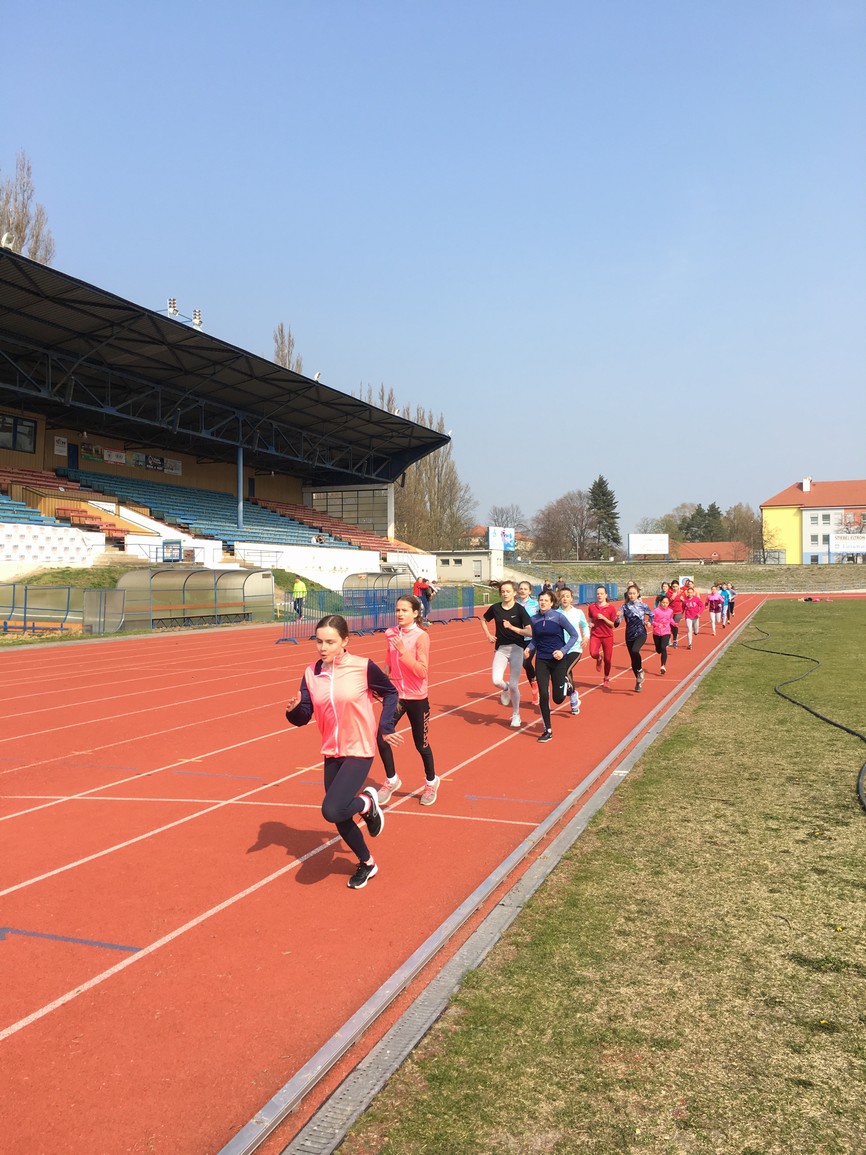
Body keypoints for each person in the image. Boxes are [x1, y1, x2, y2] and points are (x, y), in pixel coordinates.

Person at [285, 614, 401, 890]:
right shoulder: (311, 674)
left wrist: (386, 726)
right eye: (319, 641)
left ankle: (367, 803)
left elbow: (391, 692)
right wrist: (293, 711)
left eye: (330, 642)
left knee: (332, 809)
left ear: (345, 641)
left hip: (359, 747)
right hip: (331, 750)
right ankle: (367, 863)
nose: (322, 647)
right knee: (339, 815)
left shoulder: (362, 667)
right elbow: (304, 716)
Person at [376, 595, 440, 806]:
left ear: (415, 613)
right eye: (397, 610)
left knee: (421, 744)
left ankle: (431, 782)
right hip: (395, 696)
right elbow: (388, 656)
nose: (400, 614)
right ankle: (391, 779)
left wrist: (403, 651)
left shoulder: (421, 637)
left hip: (417, 697)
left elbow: (421, 671)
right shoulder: (390, 633)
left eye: (404, 610)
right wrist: (384, 675)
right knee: (382, 736)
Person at [526, 589, 580, 742]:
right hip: (541, 660)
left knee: (558, 699)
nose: (542, 602)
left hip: (558, 660)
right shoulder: (534, 619)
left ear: (551, 603)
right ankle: (547, 730)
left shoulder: (558, 617)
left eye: (545, 600)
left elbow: (574, 635)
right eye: (540, 600)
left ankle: (567, 685)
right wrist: (528, 648)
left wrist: (563, 651)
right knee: (544, 695)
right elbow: (535, 640)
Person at [480, 580, 532, 729]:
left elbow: (529, 632)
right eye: (503, 591)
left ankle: (516, 714)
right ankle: (505, 688)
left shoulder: (520, 610)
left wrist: (512, 627)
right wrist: (488, 635)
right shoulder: (495, 608)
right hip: (501, 649)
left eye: (508, 591)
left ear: (514, 593)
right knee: (496, 680)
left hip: (517, 649)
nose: (505, 594)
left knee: (515, 685)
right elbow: (483, 619)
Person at [556, 587, 591, 713]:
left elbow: (585, 625)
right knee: (568, 673)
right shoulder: (555, 613)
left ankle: (572, 695)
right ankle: (574, 697)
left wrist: (586, 636)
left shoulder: (578, 612)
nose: (565, 599)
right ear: (559, 598)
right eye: (562, 596)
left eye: (567, 596)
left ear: (571, 598)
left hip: (575, 648)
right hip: (560, 649)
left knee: (564, 671)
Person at [615, 584, 653, 692]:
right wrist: (617, 618)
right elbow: (616, 624)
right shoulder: (624, 607)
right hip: (629, 634)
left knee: (635, 650)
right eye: (630, 593)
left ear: (638, 594)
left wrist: (649, 622)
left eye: (633, 593)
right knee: (633, 660)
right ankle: (638, 681)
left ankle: (640, 670)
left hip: (641, 633)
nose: (631, 595)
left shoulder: (643, 605)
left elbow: (651, 615)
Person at [587, 584, 618, 688]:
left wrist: (604, 618)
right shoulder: (592, 607)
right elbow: (590, 618)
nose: (599, 595)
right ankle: (599, 657)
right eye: (598, 594)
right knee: (593, 653)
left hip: (607, 636)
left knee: (608, 660)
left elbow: (613, 625)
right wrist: (590, 623)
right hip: (595, 634)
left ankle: (606, 677)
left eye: (601, 593)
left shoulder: (611, 608)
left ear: (606, 595)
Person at [516, 580, 540, 705]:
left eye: (525, 589)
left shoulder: (535, 604)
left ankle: (536, 686)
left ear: (530, 591)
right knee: (523, 664)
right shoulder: (515, 604)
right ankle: (534, 685)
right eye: (521, 588)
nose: (523, 591)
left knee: (526, 662)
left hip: (533, 638)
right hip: (519, 638)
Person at [651, 594, 674, 674]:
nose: (665, 604)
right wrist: (657, 624)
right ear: (660, 602)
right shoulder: (656, 611)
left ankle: (663, 666)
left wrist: (674, 624)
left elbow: (670, 619)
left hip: (666, 631)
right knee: (658, 650)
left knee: (663, 647)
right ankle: (658, 649)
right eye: (663, 602)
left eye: (666, 603)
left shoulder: (670, 611)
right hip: (656, 632)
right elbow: (651, 620)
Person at [666, 580, 685, 649]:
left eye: (676, 586)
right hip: (670, 612)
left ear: (678, 586)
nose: (675, 588)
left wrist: (683, 600)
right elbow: (666, 602)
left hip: (678, 612)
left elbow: (685, 602)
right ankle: (670, 639)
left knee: (675, 625)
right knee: (670, 627)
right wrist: (672, 597)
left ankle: (675, 640)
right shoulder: (668, 593)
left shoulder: (681, 593)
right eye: (673, 586)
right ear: (671, 587)